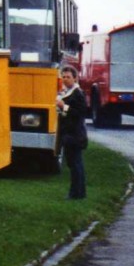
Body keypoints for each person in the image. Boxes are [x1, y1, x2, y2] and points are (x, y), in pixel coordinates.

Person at [55, 65, 88, 199]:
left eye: (68, 77)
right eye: (63, 77)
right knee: (74, 164)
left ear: (75, 78)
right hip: (69, 134)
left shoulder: (77, 93)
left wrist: (64, 107)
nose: (65, 79)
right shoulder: (67, 92)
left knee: (75, 164)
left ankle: (76, 193)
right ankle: (78, 193)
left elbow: (81, 113)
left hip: (75, 134)